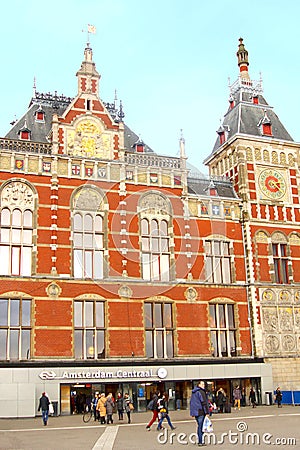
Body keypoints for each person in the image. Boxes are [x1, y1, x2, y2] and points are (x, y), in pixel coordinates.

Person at [190, 380, 209, 446]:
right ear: (199, 385)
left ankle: (200, 440)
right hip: (201, 411)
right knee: (201, 427)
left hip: (196, 412)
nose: (203, 385)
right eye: (202, 384)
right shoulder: (201, 392)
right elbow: (204, 402)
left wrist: (192, 412)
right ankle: (200, 441)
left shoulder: (194, 392)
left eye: (204, 384)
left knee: (199, 426)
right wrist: (207, 412)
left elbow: (192, 403)